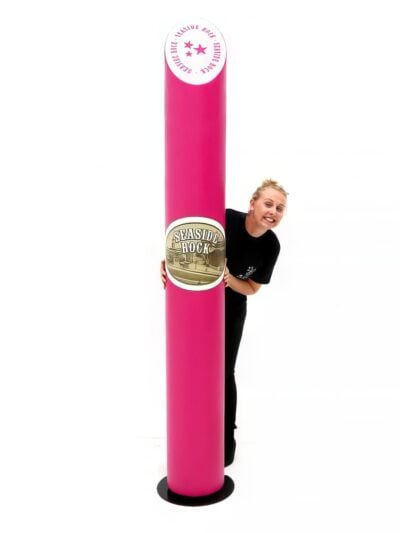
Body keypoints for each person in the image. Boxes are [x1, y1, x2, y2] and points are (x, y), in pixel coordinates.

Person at [161, 178, 288, 466]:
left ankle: (225, 440)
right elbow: (188, 239)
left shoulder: (271, 246)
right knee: (190, 367)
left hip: (232, 309)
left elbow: (252, 288)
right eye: (268, 204)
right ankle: (188, 435)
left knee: (224, 371)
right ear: (252, 204)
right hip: (198, 304)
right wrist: (168, 262)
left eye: (280, 208)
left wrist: (229, 279)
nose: (273, 211)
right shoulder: (226, 219)